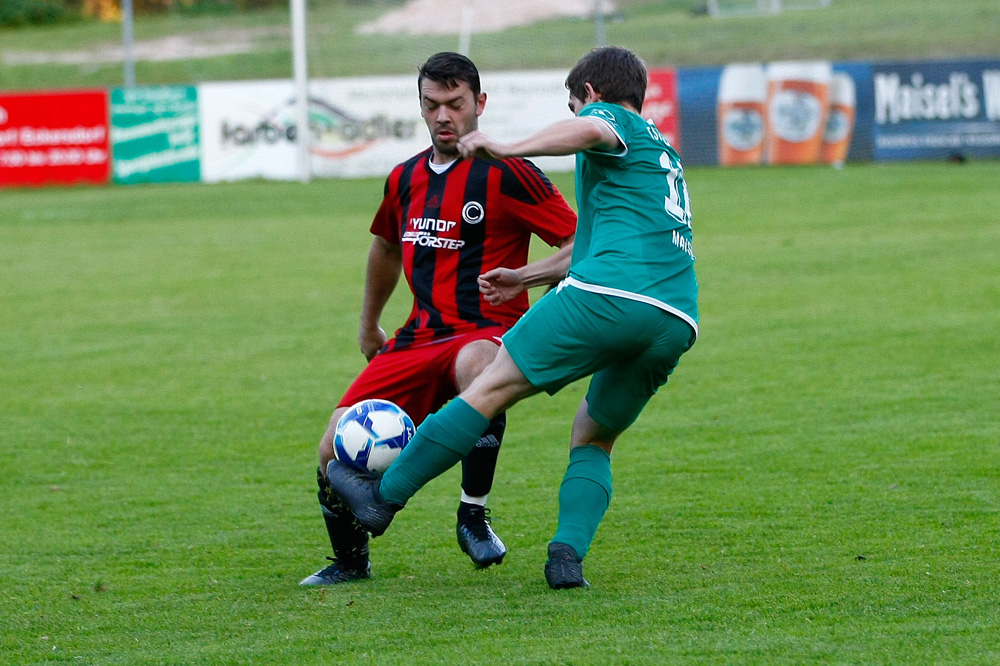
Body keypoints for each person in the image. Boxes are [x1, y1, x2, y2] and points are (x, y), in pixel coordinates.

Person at [326, 46, 699, 589]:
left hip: (606, 297)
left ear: (591, 96)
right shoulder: (660, 152)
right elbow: (585, 247)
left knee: (487, 389)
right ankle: (567, 557)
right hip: (674, 320)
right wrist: (523, 278)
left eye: (577, 107)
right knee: (593, 437)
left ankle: (383, 498)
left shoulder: (610, 117)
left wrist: (507, 147)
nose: (578, 117)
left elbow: (591, 131)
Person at [300, 52, 577, 586]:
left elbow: (578, 243)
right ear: (421, 107)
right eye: (433, 105)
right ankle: (350, 562)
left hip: (485, 331)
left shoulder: (510, 173)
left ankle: (473, 513)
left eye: (456, 103)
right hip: (417, 336)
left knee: (481, 367)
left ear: (480, 104)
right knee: (333, 440)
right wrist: (368, 323)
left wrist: (523, 279)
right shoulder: (404, 178)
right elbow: (384, 247)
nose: (444, 115)